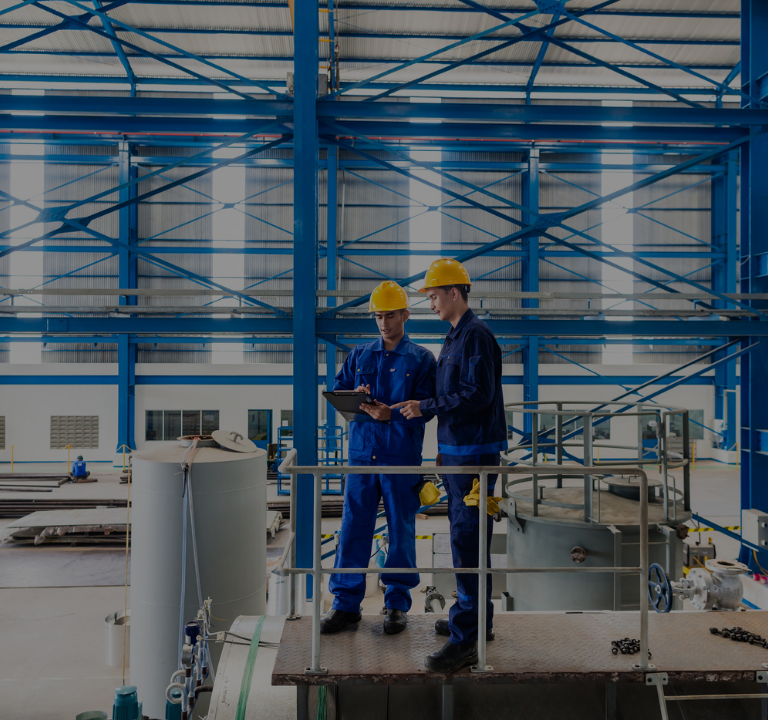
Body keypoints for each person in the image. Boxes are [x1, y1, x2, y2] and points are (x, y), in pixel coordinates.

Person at [393, 258, 507, 673]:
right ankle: (478, 622)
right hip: (461, 452)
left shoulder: (475, 336)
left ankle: (466, 641)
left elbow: (477, 395)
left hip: (474, 456)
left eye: (434, 296)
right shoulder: (456, 336)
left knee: (467, 542)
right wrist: (443, 447)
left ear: (454, 293)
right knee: (469, 541)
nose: (431, 304)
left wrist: (426, 406)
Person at [321, 280, 437, 635]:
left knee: (401, 529)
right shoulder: (360, 354)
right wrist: (355, 395)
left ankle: (397, 604)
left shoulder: (421, 359)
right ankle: (346, 604)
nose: (383, 323)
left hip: (400, 456)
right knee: (353, 526)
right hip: (361, 455)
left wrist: (392, 414)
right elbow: (339, 390)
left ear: (405, 315)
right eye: (378, 316)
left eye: (390, 315)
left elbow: (428, 408)